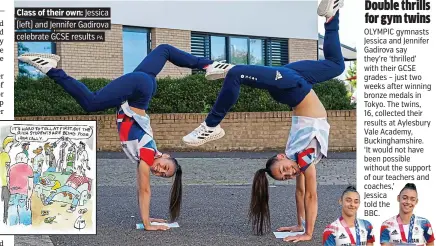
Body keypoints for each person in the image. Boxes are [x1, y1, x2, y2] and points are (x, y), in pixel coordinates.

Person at [18, 43, 225, 231]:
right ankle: (50, 67)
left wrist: (148, 217)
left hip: (143, 87)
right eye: (165, 167)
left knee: (164, 50)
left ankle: (209, 65)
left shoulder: (145, 156)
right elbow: (145, 189)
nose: (159, 170)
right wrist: (147, 224)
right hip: (140, 89)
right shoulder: (147, 153)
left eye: (162, 174)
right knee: (91, 103)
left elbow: (140, 188)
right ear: (165, 155)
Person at [183, 0, 345, 147]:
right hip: (293, 86)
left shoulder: (294, 151)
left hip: (290, 84)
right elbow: (307, 172)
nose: (286, 172)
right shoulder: (305, 151)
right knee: (336, 66)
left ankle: (211, 125)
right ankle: (332, 16)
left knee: (236, 74)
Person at [8, 152, 34, 226]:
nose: (27, 159)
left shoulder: (11, 168)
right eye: (26, 158)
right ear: (22, 158)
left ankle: (12, 228)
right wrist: (29, 197)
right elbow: (30, 185)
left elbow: (8, 182)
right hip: (23, 194)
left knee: (12, 213)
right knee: (25, 214)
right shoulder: (28, 168)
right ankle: (25, 230)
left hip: (12, 194)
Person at [1, 136, 13, 224]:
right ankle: (5, 220)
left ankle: (4, 220)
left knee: (4, 203)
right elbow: (8, 170)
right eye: (10, 146)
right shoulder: (6, 156)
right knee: (7, 203)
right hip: (6, 183)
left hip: (2, 183)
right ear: (5, 146)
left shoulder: (1, 155)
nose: (10, 148)